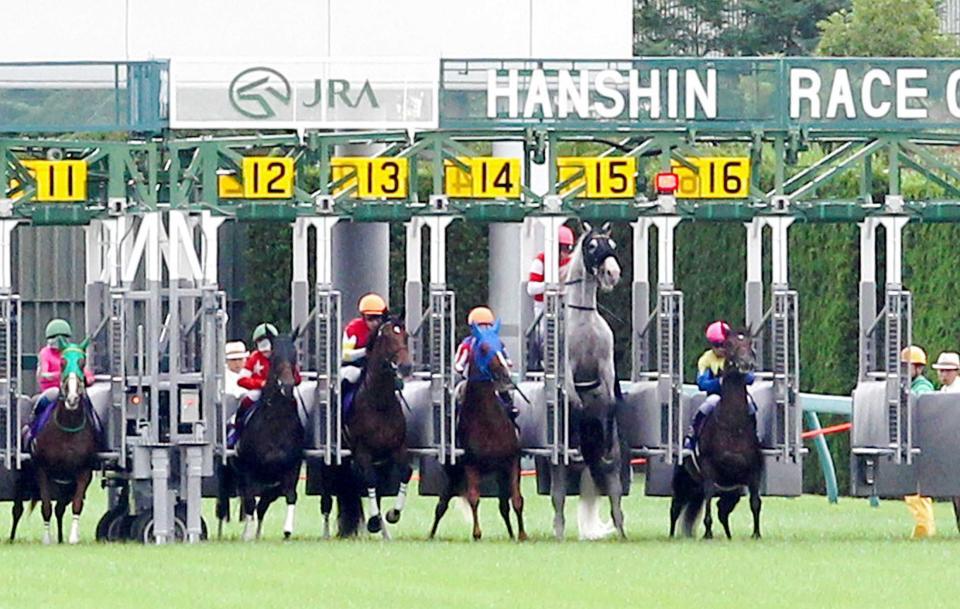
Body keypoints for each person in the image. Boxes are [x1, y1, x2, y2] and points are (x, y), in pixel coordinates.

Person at [682, 320, 756, 453]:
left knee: (750, 405)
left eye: (723, 345)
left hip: (738, 396)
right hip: (718, 396)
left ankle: (754, 436)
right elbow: (702, 383)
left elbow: (751, 378)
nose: (720, 349)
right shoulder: (706, 360)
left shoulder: (735, 357)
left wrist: (742, 373)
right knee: (708, 404)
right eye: (716, 345)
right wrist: (719, 382)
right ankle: (691, 436)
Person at [25, 318, 96, 445]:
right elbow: (43, 375)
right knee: (53, 393)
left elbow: (84, 372)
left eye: (63, 337)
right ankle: (32, 425)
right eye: (55, 337)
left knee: (87, 400)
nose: (59, 341)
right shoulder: (45, 353)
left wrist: (88, 379)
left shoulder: (71, 352)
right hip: (52, 389)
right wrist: (62, 375)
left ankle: (97, 430)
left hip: (71, 388)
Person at [229, 323, 301, 446]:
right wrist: (260, 383)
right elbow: (241, 379)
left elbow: (296, 379)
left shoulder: (282, 357)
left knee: (295, 403)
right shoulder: (254, 358)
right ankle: (237, 430)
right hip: (259, 391)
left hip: (281, 391)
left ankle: (299, 435)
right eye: (260, 342)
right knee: (247, 399)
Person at [526, 225, 576, 371]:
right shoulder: (540, 261)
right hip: (543, 307)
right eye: (564, 249)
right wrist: (549, 285)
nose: (566, 254)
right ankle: (539, 362)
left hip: (566, 305)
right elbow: (531, 288)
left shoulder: (569, 262)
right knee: (544, 335)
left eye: (569, 249)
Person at [454, 306, 517, 420]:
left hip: (490, 377)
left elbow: (504, 357)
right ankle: (453, 416)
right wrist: (459, 367)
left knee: (503, 387)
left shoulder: (497, 343)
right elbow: (459, 362)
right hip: (470, 378)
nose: (484, 328)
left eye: (487, 325)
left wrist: (506, 364)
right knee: (459, 392)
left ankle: (510, 409)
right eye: (481, 326)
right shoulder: (467, 343)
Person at [901, 346, 937, 539]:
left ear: (918, 368)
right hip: (916, 443)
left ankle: (925, 530)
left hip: (921, 444)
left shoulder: (921, 388)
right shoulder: (912, 386)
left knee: (917, 491)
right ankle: (923, 528)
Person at [340, 293, 388, 415]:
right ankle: (340, 414)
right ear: (363, 316)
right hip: (355, 366)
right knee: (347, 379)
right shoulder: (353, 329)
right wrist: (365, 352)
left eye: (378, 318)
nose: (375, 322)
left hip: (377, 368)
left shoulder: (385, 330)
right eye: (370, 318)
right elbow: (345, 355)